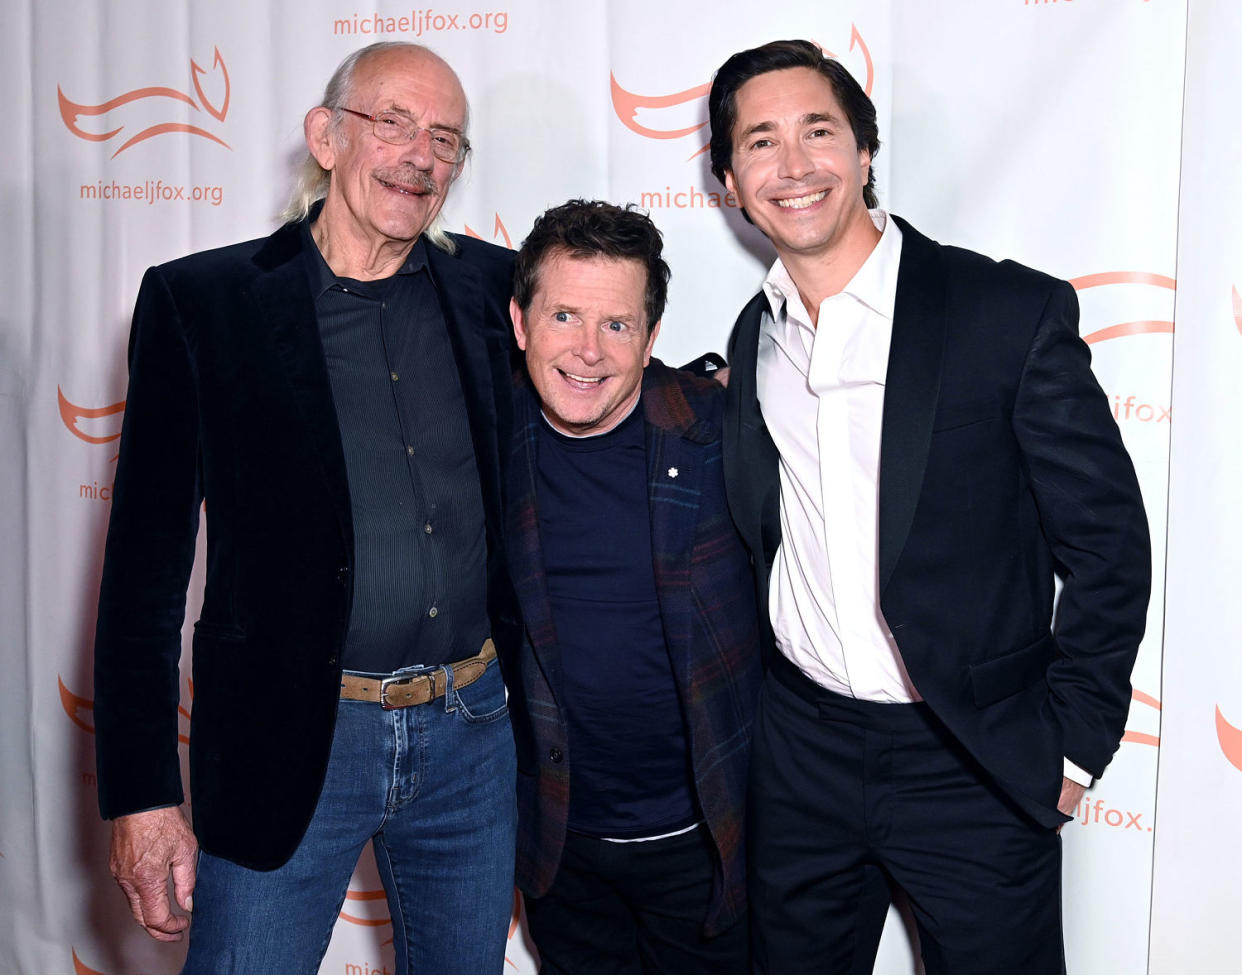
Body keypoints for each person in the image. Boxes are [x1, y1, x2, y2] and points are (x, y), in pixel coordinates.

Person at [707, 39, 1151, 974]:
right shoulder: (755, 337)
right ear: (729, 182)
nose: (793, 166)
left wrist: (1069, 752)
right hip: (803, 756)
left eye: (817, 131)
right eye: (760, 142)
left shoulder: (1004, 313)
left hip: (975, 760)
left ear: (865, 152)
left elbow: (1108, 544)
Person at [92, 41, 521, 974]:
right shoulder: (201, 304)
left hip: (473, 738)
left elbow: (600, 372)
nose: (420, 155)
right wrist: (141, 797)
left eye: (446, 139)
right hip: (291, 738)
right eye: (394, 123)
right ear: (326, 136)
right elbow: (142, 576)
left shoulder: (494, 288)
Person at [505, 199, 760, 974]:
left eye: (616, 325)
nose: (587, 351)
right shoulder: (485, 441)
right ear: (520, 323)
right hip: (561, 851)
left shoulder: (721, 430)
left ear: (651, 340)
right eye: (564, 316)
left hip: (708, 846)